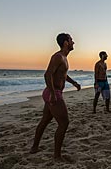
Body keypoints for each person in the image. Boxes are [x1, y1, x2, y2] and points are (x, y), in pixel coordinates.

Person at [30, 33, 81, 161]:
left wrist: (73, 82)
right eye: (71, 40)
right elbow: (47, 75)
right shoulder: (58, 57)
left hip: (52, 92)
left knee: (45, 120)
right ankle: (57, 156)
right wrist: (53, 94)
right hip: (54, 93)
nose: (73, 42)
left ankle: (34, 147)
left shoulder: (64, 57)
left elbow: (63, 74)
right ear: (65, 43)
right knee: (64, 123)